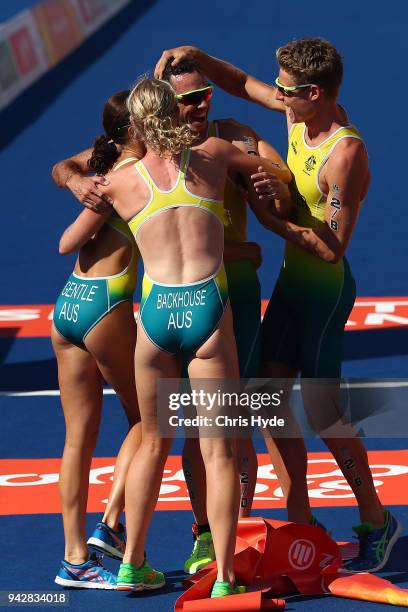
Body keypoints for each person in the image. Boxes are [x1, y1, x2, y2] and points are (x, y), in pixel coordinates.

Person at [155, 39, 402, 572]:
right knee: (267, 400)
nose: (276, 94)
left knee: (322, 410)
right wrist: (198, 56)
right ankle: (301, 514)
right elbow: (242, 84)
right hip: (292, 287)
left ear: (312, 93)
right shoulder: (299, 117)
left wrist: (271, 221)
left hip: (323, 294)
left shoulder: (345, 153)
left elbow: (333, 248)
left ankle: (377, 519)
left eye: (285, 88)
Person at [98, 76, 291, 597]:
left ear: (134, 123)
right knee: (220, 452)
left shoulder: (120, 180)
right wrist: (273, 185)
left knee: (152, 445)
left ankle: (132, 563)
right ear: (178, 110)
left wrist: (82, 181)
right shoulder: (213, 153)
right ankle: (225, 578)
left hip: (156, 318)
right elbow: (276, 173)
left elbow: (67, 237)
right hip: (208, 312)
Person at [160, 58, 291, 575]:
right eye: (187, 100)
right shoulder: (148, 150)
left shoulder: (232, 136)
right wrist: (75, 183)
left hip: (233, 297)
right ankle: (202, 531)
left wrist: (268, 184)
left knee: (236, 424)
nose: (200, 106)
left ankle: (238, 526)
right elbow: (71, 166)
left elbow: (282, 180)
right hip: (181, 299)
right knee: (194, 429)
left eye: (205, 95)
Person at [51, 91, 145, 588]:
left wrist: (76, 181)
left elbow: (60, 168)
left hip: (68, 305)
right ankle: (109, 525)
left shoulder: (107, 156)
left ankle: (73, 561)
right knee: (149, 420)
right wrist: (98, 197)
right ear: (135, 129)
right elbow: (69, 238)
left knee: (77, 439)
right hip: (106, 306)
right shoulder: (131, 172)